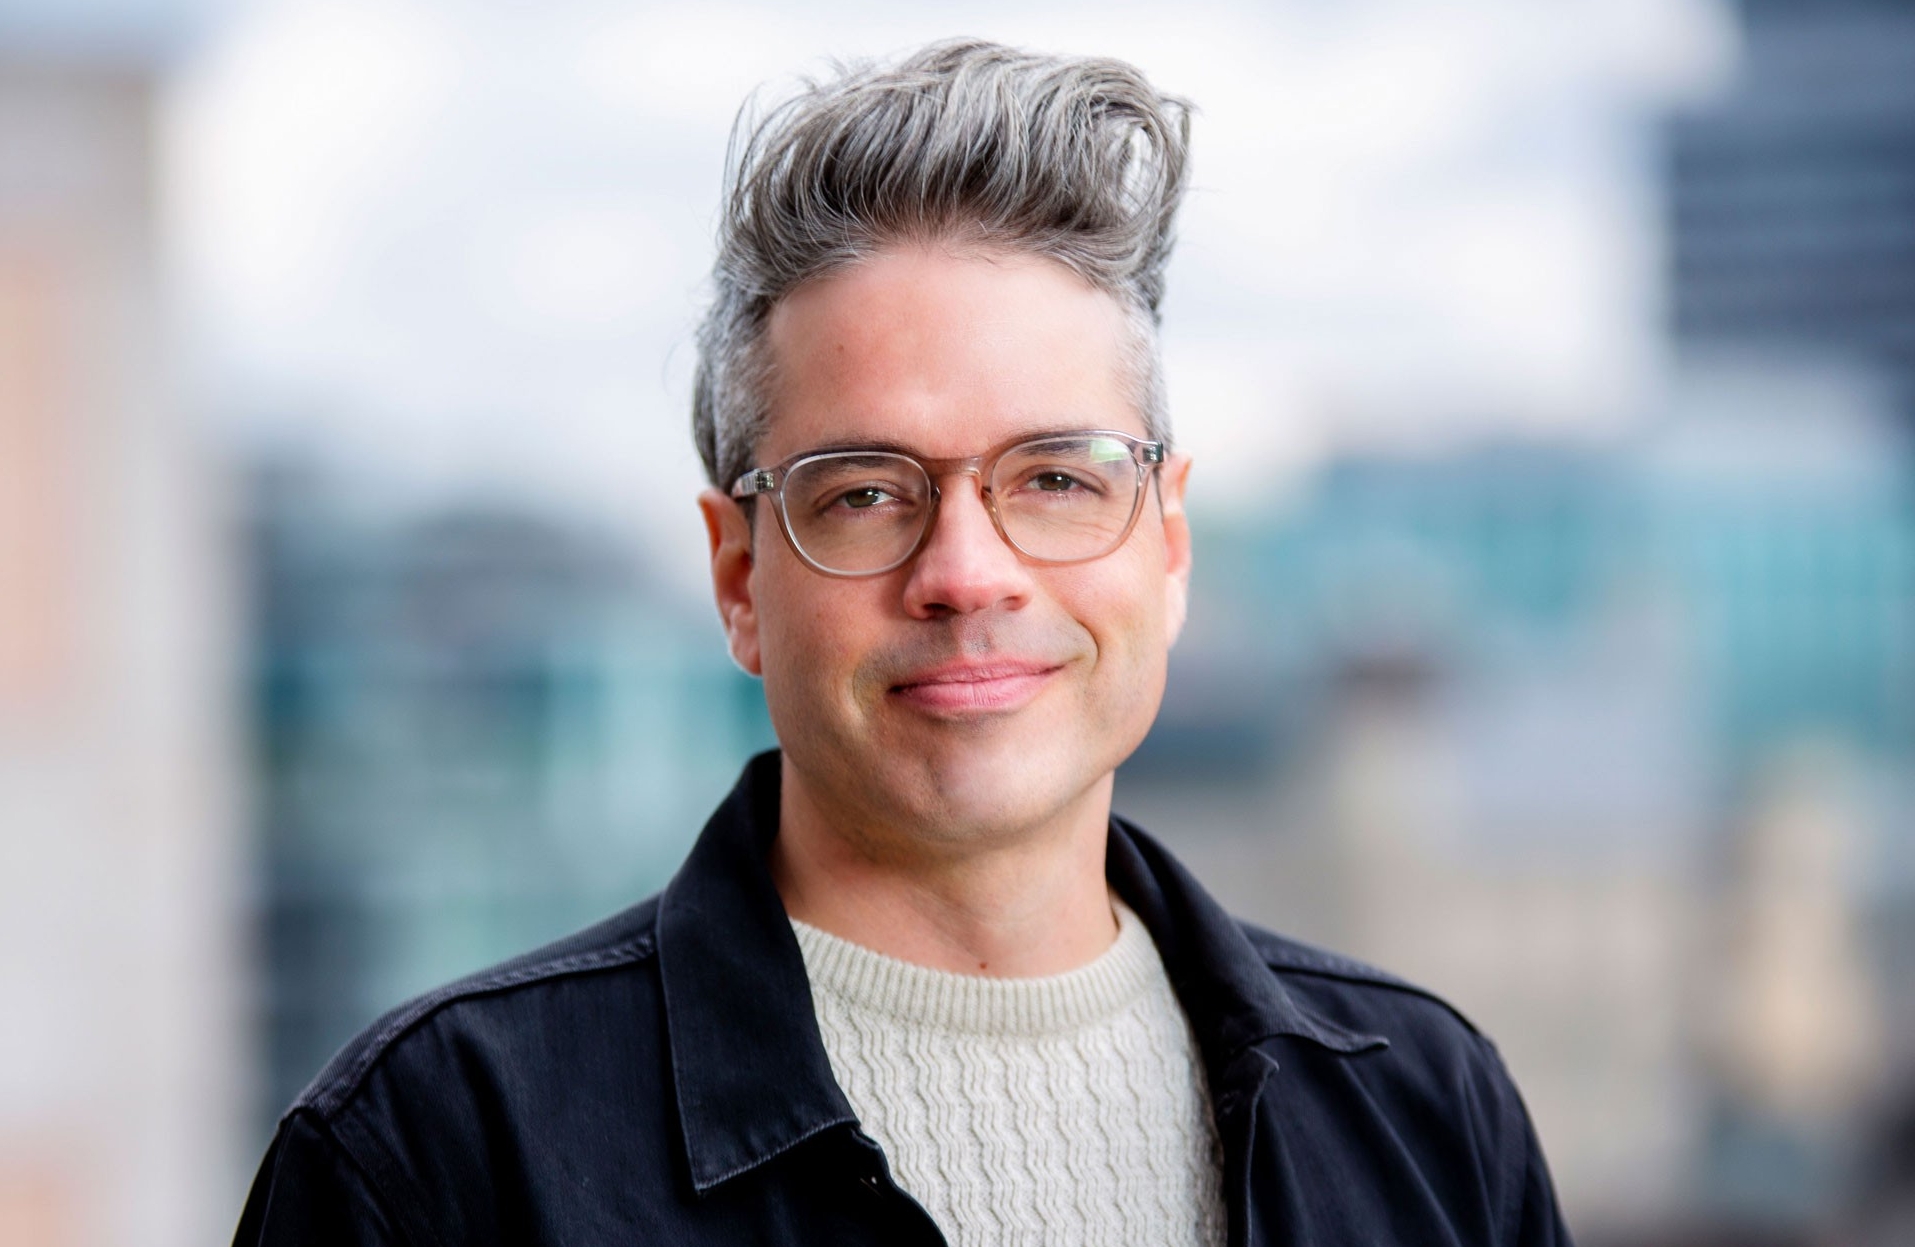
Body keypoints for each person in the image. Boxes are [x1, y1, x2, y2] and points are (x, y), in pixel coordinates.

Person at [234, 40, 1573, 1246]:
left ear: (1166, 545)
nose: (966, 573)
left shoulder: (1425, 1113)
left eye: (1056, 476)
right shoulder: (433, 1159)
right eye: (865, 492)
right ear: (739, 576)